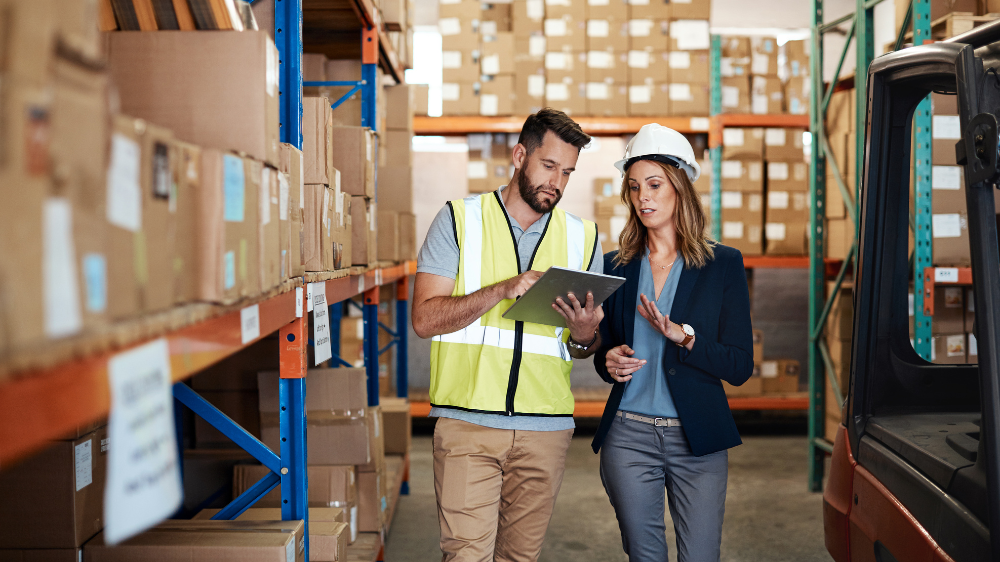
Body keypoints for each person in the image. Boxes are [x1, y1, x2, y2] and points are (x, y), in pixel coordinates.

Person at [411, 108, 606, 562]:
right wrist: (501, 289)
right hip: (467, 425)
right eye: (549, 166)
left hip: (546, 429)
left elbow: (583, 348)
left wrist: (584, 335)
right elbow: (424, 319)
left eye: (568, 172)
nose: (557, 182)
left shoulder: (584, 238)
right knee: (466, 557)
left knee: (520, 558)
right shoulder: (459, 221)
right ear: (520, 156)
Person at [591, 124, 754, 562]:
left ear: (679, 186)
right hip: (628, 436)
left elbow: (739, 366)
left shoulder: (722, 265)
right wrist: (609, 359)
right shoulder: (615, 266)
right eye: (634, 187)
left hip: (696, 439)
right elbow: (604, 356)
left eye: (654, 184)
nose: (642, 196)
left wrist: (685, 338)